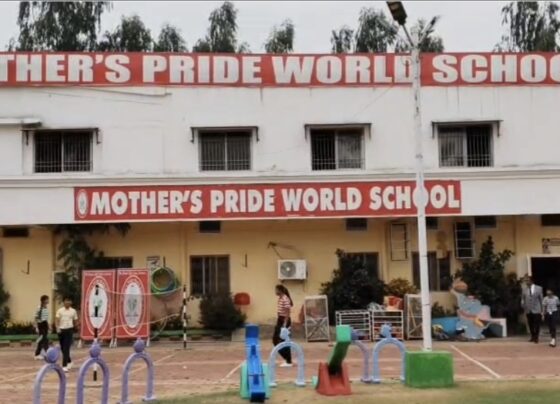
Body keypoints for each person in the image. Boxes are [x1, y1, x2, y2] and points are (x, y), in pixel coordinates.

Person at [55, 297, 79, 372]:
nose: (68, 302)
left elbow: (75, 320)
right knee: (62, 348)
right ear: (64, 302)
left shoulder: (73, 311)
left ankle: (64, 365)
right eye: (66, 301)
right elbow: (57, 320)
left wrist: (77, 327)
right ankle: (69, 361)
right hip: (61, 330)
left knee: (66, 348)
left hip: (69, 330)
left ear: (71, 302)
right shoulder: (60, 310)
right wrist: (57, 328)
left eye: (69, 301)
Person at [273, 284, 293, 367]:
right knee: (276, 340)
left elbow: (288, 311)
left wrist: (285, 323)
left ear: (280, 290)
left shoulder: (285, 298)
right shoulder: (280, 298)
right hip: (280, 320)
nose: (275, 291)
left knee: (283, 340)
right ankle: (287, 359)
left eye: (276, 290)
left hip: (284, 320)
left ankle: (288, 361)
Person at [521, 276, 543, 343]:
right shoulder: (524, 289)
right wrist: (522, 304)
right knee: (530, 324)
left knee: (537, 324)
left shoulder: (539, 288)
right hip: (528, 309)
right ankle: (532, 336)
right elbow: (523, 298)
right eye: (526, 281)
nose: (526, 282)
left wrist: (542, 310)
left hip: (537, 309)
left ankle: (536, 337)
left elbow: (541, 299)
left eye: (528, 280)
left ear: (531, 281)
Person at [34, 295, 50, 359]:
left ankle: (37, 354)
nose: (48, 300)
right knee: (44, 339)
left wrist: (49, 326)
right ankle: (47, 353)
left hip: (45, 324)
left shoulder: (46, 308)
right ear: (43, 300)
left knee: (42, 340)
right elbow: (36, 318)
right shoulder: (39, 308)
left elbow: (46, 318)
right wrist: (36, 327)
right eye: (47, 299)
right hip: (40, 325)